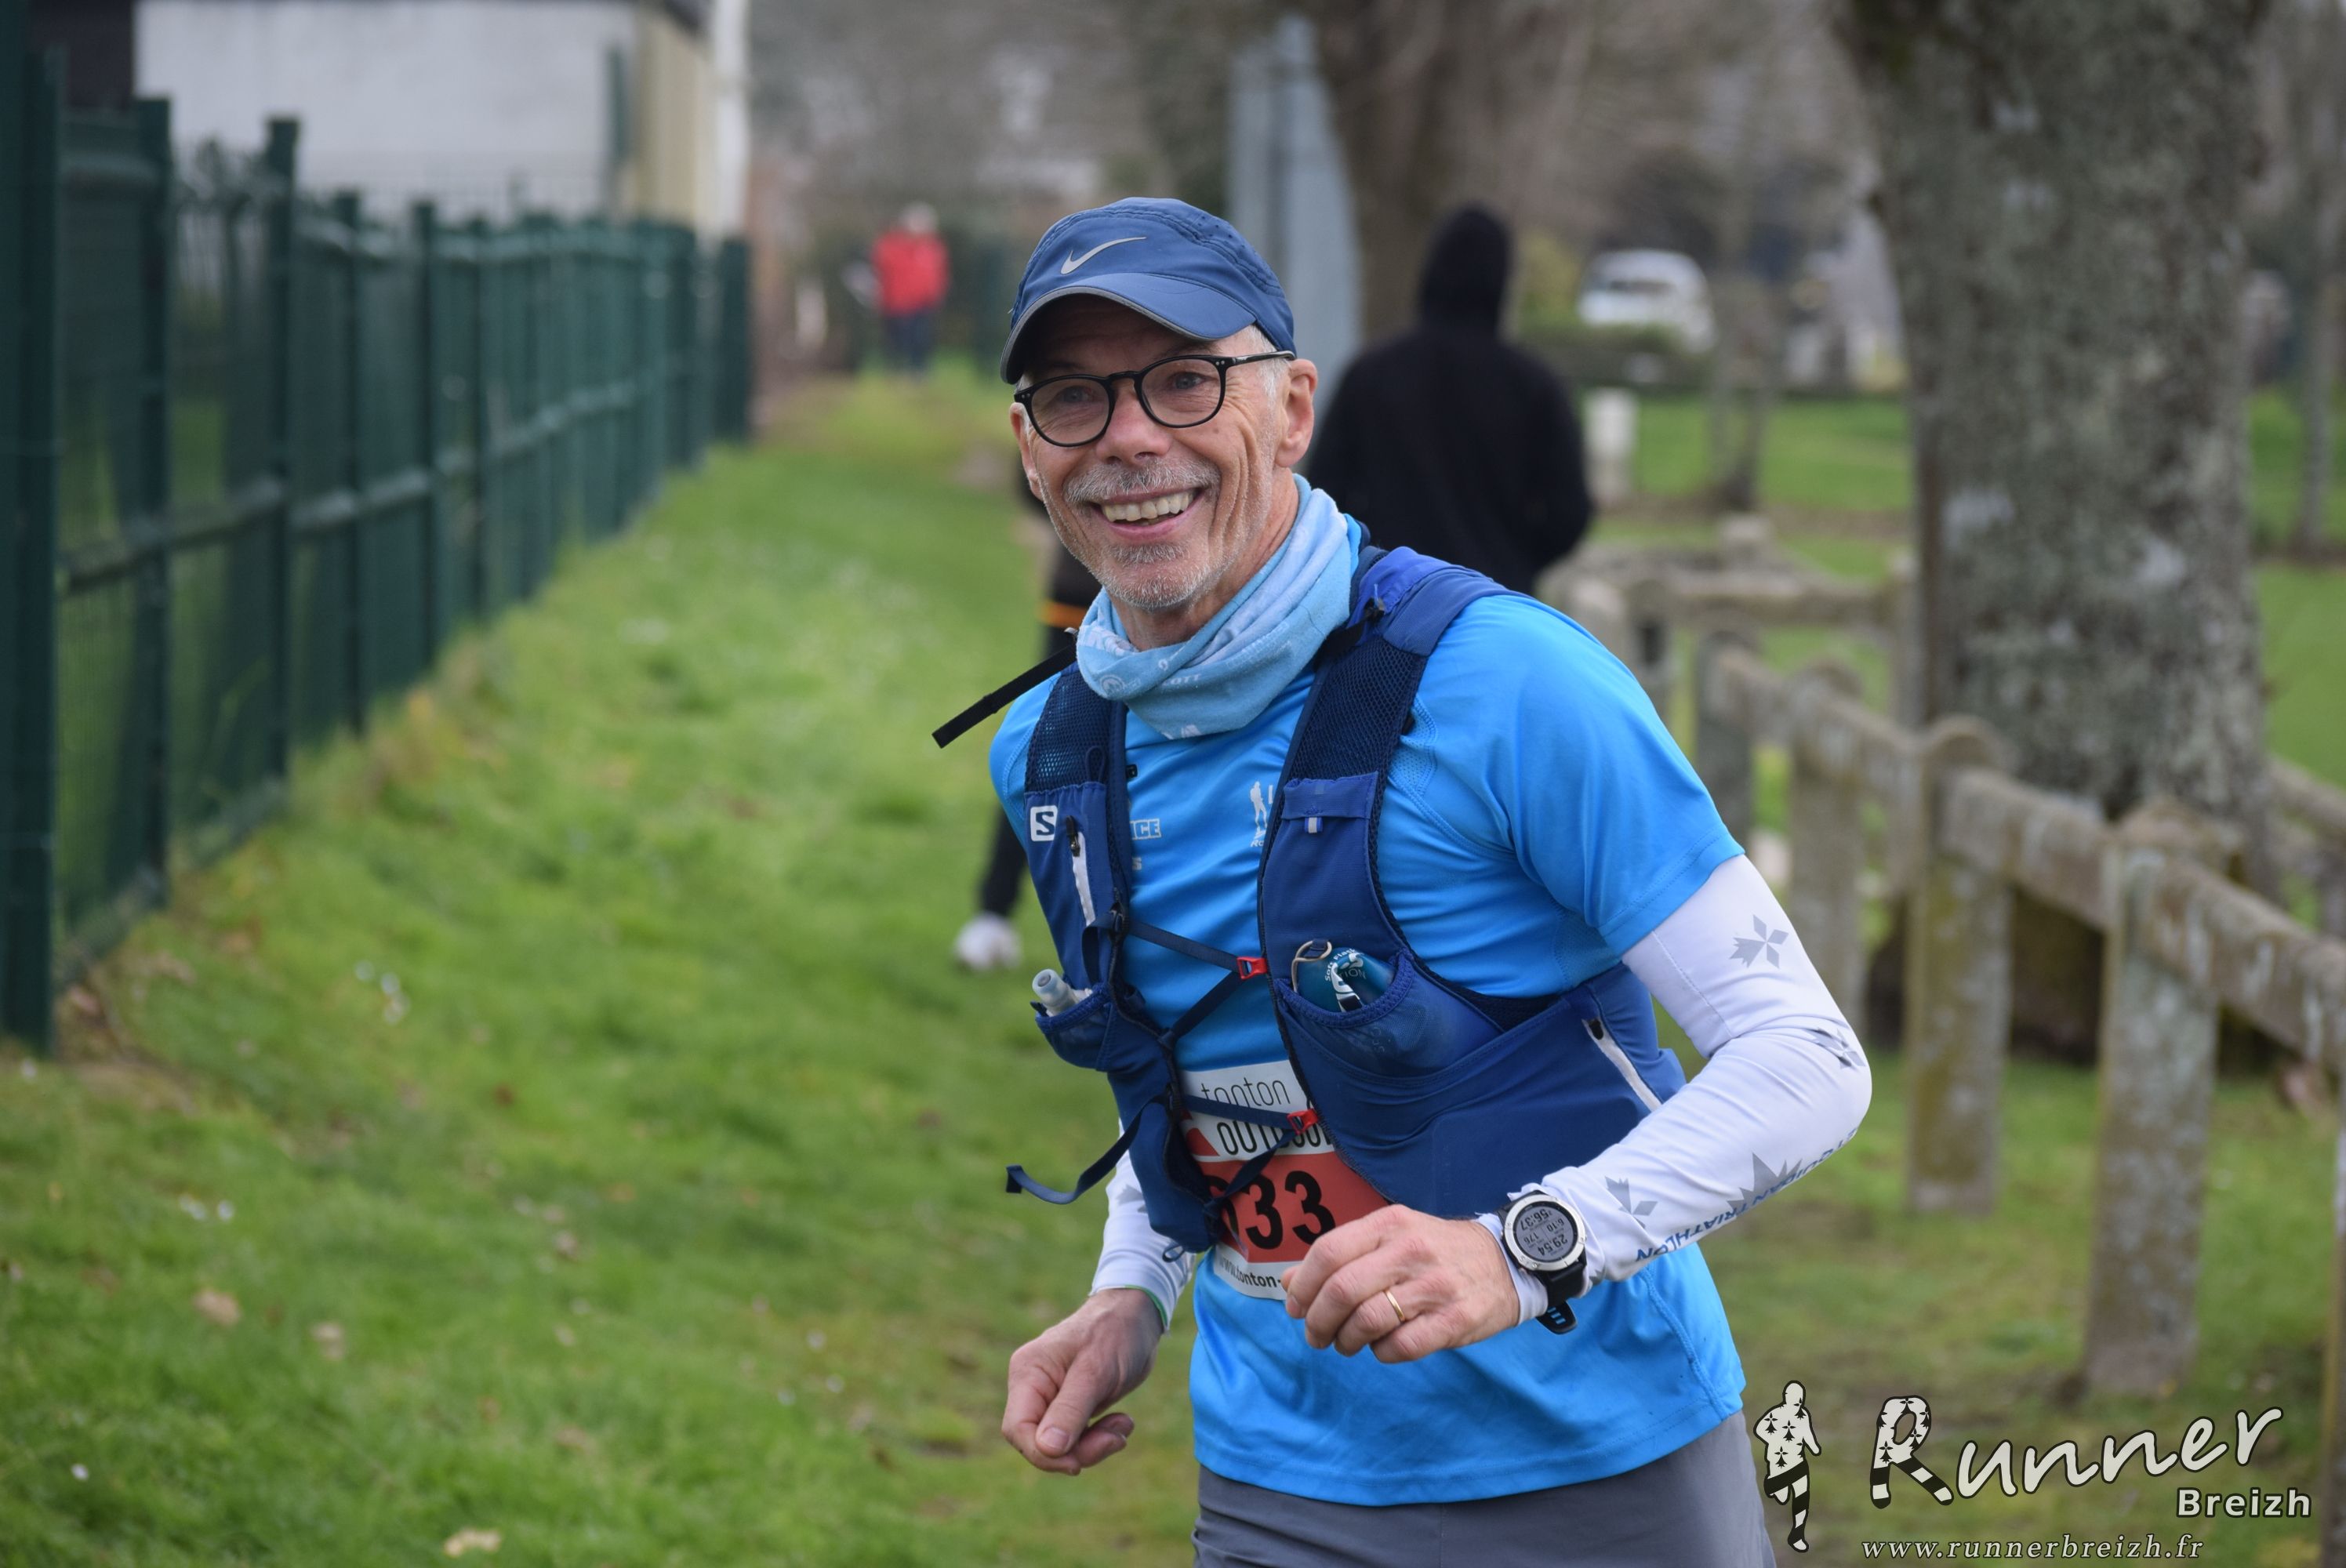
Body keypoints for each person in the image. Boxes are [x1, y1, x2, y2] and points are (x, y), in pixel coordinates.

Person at [946, 196, 1868, 1566]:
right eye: (1075, 396)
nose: (1129, 437)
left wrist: (1520, 1250)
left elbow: (1807, 1061)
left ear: (1292, 409)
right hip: (1273, 1484)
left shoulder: (1513, 685)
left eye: (1185, 380)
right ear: (1031, 449)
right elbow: (1206, 1078)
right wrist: (1133, 1287)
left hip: (1599, 1467)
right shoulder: (1052, 752)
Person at [1306, 205, 1594, 593]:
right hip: (1495, 598)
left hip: (1391, 597)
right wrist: (1514, 559)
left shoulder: (1371, 374)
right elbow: (1569, 512)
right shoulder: (1533, 385)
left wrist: (1371, 555)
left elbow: (1327, 492)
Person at [953, 477, 1099, 971]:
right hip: (1079, 600)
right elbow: (1029, 478)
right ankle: (994, 914)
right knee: (1045, 755)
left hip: (1191, 609)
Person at [870, 203, 949, 374]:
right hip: (898, 303)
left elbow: (938, 275)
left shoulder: (933, 248)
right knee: (899, 339)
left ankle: (918, 370)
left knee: (921, 339)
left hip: (924, 303)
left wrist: (935, 295)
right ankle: (897, 369)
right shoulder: (893, 246)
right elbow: (883, 271)